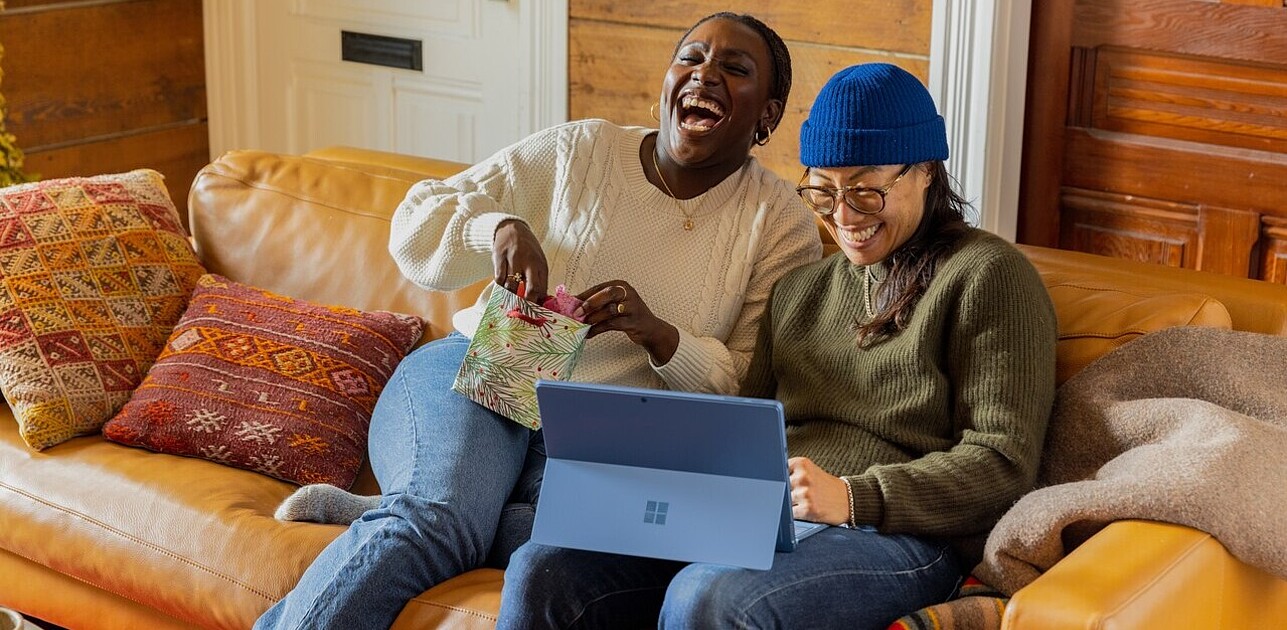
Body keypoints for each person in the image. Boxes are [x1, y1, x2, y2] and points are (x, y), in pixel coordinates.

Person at [254, 12, 823, 630]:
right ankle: (423, 508)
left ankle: (399, 507)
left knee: (609, 537)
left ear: (767, 115)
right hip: (482, 368)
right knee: (438, 525)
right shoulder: (582, 151)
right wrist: (496, 227)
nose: (704, 74)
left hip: (602, 437)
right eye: (690, 58)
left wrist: (663, 337)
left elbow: (746, 384)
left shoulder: (780, 222)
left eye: (734, 69)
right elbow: (415, 223)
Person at [497, 63, 1059, 629]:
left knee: (708, 597)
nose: (843, 217)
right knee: (544, 568)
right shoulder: (798, 290)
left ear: (925, 173)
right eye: (822, 191)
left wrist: (854, 496)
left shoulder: (988, 276)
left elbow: (1002, 463)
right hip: (761, 515)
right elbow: (746, 426)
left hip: (899, 534)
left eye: (865, 191)